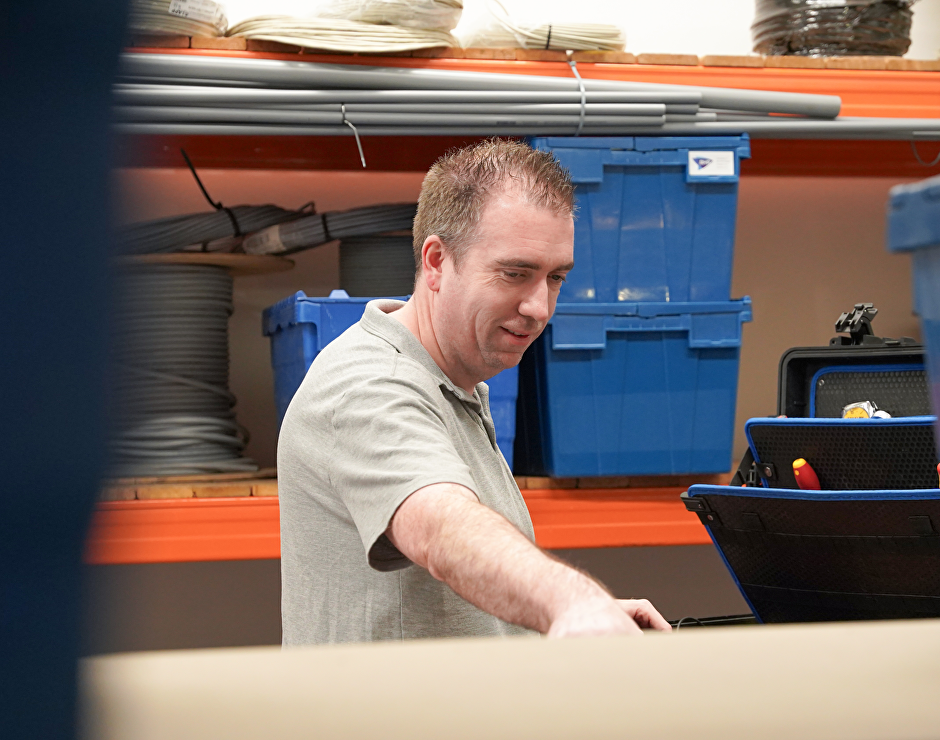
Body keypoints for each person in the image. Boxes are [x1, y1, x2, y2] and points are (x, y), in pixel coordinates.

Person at [278, 139, 671, 644]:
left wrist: (565, 619)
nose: (539, 307)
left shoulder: (454, 384)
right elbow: (444, 529)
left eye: (555, 278)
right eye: (515, 273)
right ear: (437, 262)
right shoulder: (366, 385)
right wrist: (572, 600)